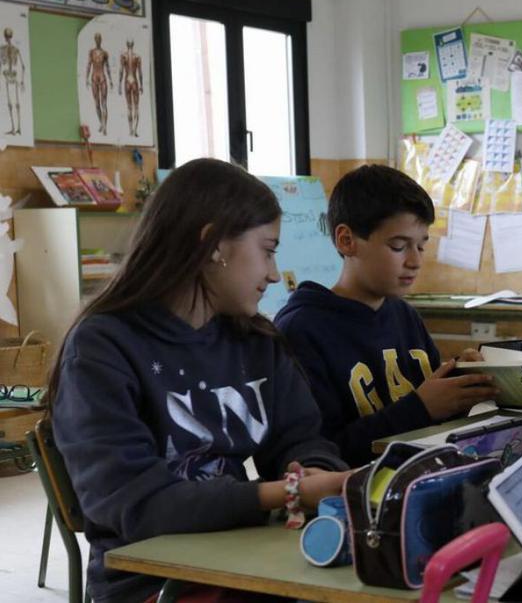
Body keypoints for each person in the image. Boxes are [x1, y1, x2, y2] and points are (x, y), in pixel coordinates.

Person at [49, 159, 350, 603]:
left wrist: (310, 469)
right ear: (212, 243)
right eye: (267, 250)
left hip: (246, 558)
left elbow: (301, 435)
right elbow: (137, 506)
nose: (272, 273)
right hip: (154, 581)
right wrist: (285, 492)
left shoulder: (255, 338)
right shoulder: (101, 348)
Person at [275, 165, 498, 467]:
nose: (415, 261)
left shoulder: (403, 314)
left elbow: (430, 422)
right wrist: (421, 408)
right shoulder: (301, 329)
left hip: (418, 479)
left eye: (421, 245)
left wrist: (459, 386)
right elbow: (321, 453)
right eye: (398, 246)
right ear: (346, 240)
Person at [85, 32, 111, 136]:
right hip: (94, 77)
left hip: (102, 77)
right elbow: (88, 65)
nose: (98, 40)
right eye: (96, 38)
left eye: (99, 38)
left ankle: (105, 127)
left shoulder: (105, 53)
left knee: (104, 103)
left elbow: (108, 66)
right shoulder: (91, 52)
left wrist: (111, 80)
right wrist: (86, 78)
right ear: (94, 40)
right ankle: (101, 123)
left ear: (101, 40)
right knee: (96, 104)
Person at [1, 27, 25, 136]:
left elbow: (23, 66)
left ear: (5, 37)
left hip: (8, 75)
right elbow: (23, 66)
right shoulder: (15, 49)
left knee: (12, 103)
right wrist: (22, 81)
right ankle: (17, 128)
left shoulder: (2, 49)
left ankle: (15, 129)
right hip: (12, 76)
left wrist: (23, 81)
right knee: (16, 103)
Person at [119, 38, 143, 138]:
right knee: (136, 107)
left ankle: (130, 130)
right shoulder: (137, 56)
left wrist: (120, 85)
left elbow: (121, 71)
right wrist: (141, 85)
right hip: (134, 81)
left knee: (129, 107)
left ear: (126, 44)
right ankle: (134, 130)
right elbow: (140, 73)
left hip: (127, 81)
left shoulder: (123, 56)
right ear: (133, 44)